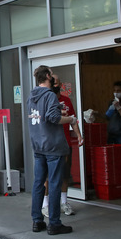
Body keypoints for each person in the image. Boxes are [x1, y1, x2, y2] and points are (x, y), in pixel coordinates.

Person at [27, 65, 77, 235]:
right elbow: (53, 118)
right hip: (52, 146)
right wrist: (70, 118)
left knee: (39, 183)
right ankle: (54, 223)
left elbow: (40, 117)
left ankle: (37, 221)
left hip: (38, 144)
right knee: (54, 183)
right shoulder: (49, 95)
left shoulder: (31, 96)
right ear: (48, 76)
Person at [42, 75, 83, 218]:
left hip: (64, 142)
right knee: (48, 175)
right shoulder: (45, 100)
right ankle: (45, 204)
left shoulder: (66, 100)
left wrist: (78, 135)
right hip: (50, 144)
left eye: (58, 82)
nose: (56, 84)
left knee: (65, 173)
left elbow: (73, 119)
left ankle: (64, 202)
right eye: (54, 82)